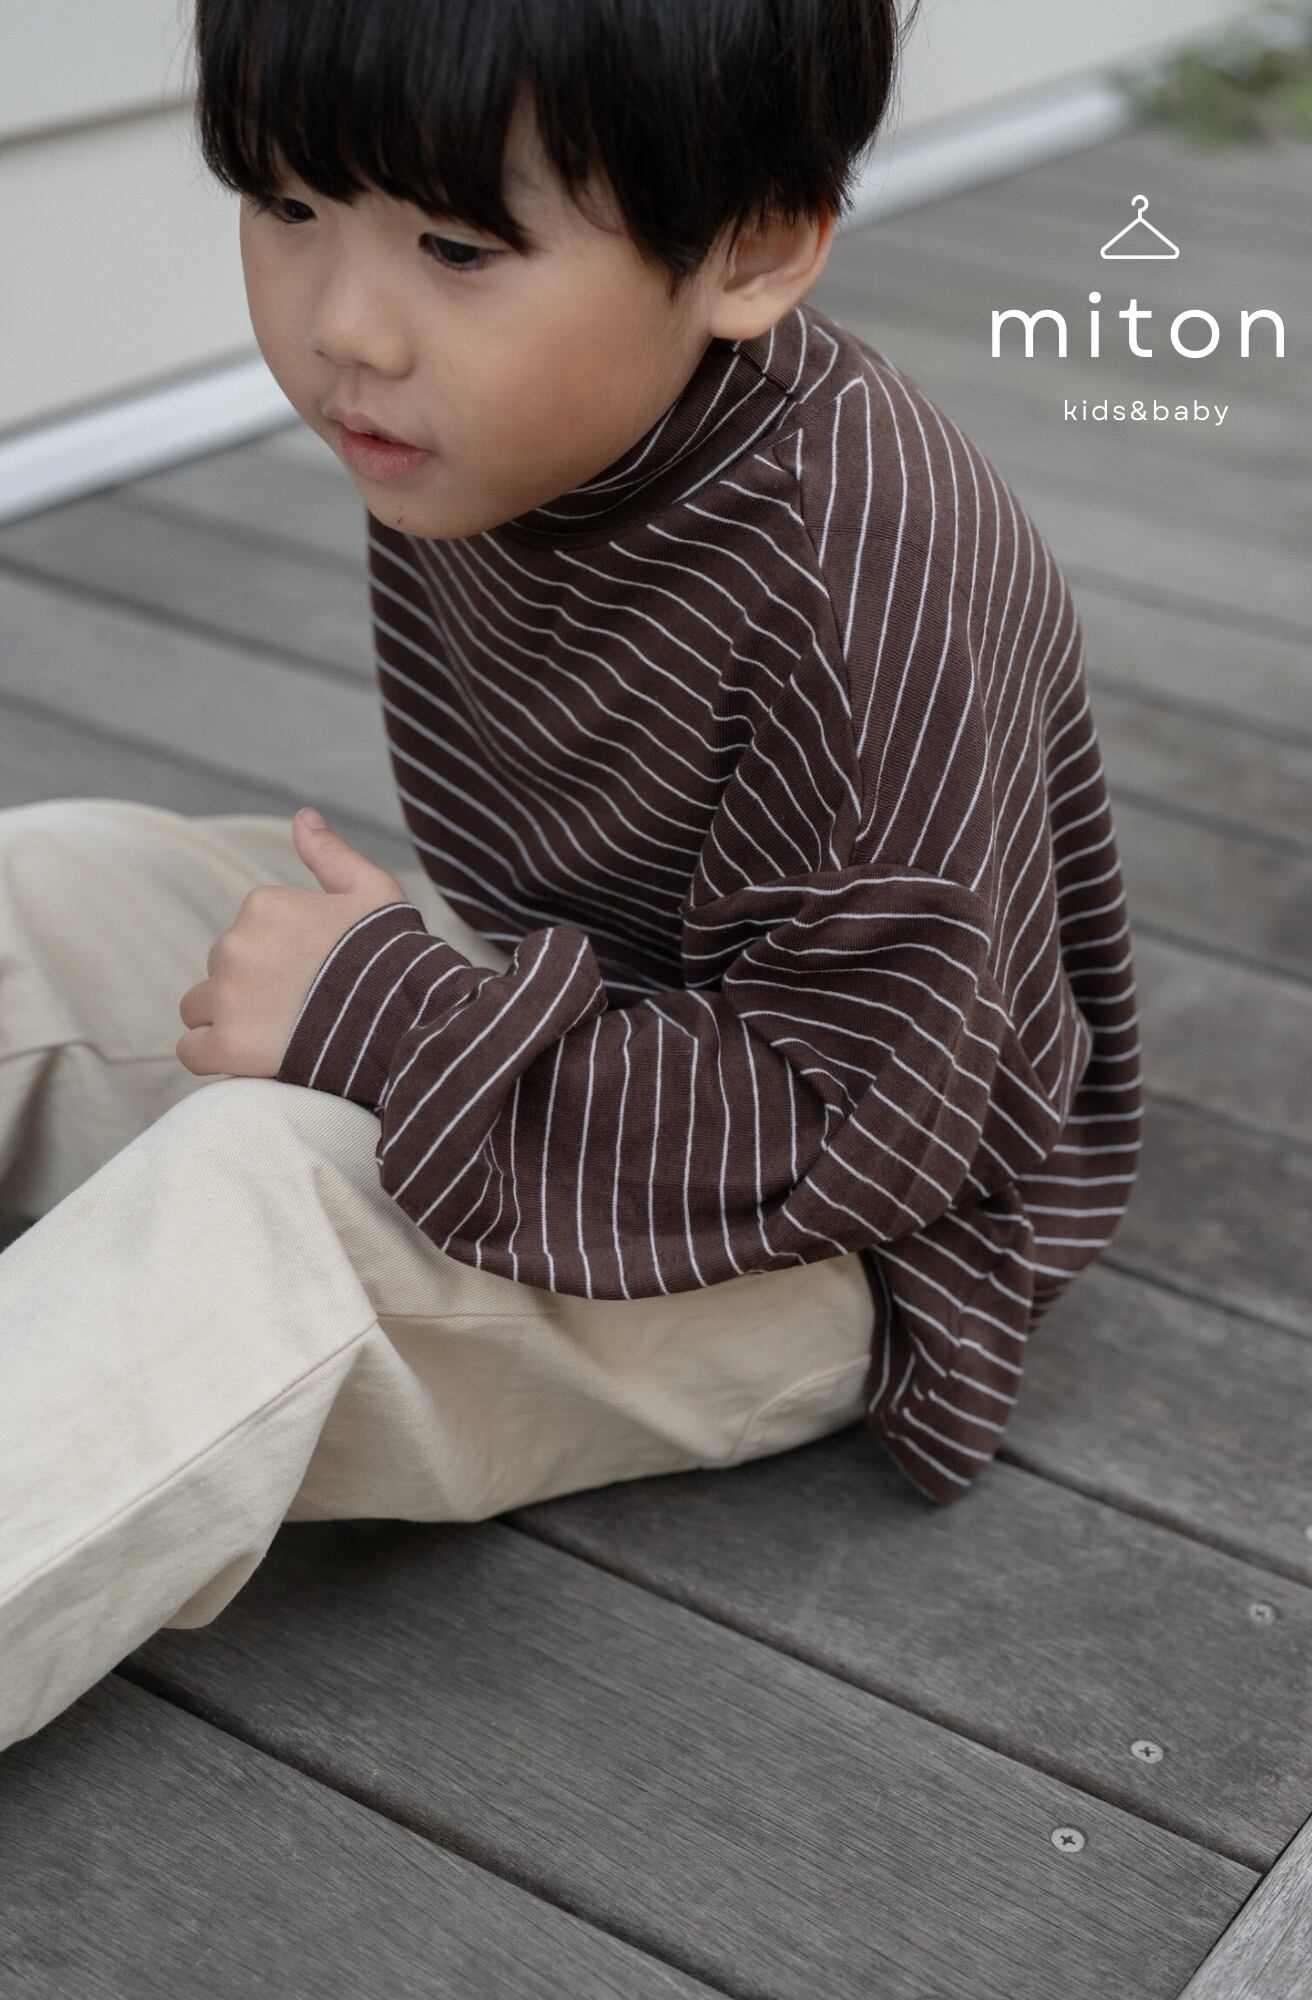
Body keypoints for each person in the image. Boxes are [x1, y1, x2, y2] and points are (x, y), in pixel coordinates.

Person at [0, 0, 1143, 1755]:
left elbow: (865, 1120)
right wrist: (415, 1007)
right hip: (542, 1010)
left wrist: (385, 1023)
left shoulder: (866, 583)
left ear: (749, 250)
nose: (343, 324)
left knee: (262, 1196)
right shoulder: (494, 414)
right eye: (289, 204)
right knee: (41, 883)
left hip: (808, 1230)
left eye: (458, 247)